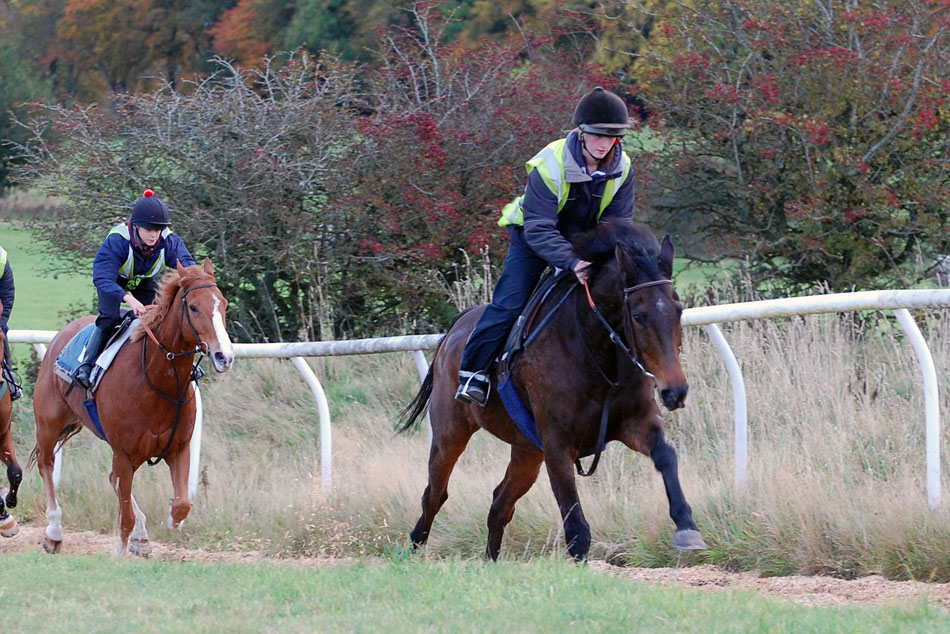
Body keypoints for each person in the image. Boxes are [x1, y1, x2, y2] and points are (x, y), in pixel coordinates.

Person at [456, 87, 635, 406]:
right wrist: (572, 262)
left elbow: (618, 226)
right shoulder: (549, 163)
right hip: (532, 237)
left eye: (612, 136)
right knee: (509, 304)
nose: (603, 143)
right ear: (581, 132)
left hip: (581, 241)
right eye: (597, 135)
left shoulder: (623, 169)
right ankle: (473, 372)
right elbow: (540, 228)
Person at [73, 189, 197, 388]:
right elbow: (102, 278)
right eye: (149, 230)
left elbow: (189, 267)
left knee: (159, 318)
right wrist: (128, 299)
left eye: (158, 230)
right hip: (113, 282)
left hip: (143, 281)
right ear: (136, 226)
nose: (154, 235)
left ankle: (175, 363)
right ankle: (86, 366)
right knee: (109, 318)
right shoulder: (117, 241)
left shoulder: (169, 241)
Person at [0, 247, 22, 400]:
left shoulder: (1, 258)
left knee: (1, 334)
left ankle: (8, 376)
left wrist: (1, 323)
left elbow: (7, 294)